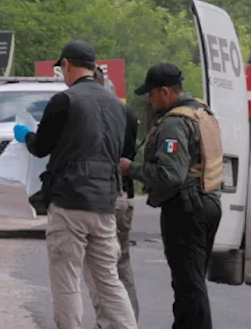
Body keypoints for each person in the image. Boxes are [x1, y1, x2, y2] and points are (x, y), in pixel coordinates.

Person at [12, 41, 137, 329]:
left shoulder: (65, 101)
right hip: (106, 203)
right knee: (108, 281)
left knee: (66, 279)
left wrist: (26, 136)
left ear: (66, 64)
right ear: (94, 67)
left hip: (70, 202)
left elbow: (42, 148)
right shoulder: (119, 108)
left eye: (62, 68)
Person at [120, 63, 225, 329]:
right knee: (192, 280)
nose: (149, 99)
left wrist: (130, 169)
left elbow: (170, 175)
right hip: (209, 201)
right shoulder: (202, 112)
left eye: (152, 94)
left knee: (188, 284)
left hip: (185, 208)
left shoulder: (175, 124)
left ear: (165, 92)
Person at [86, 68, 139, 327]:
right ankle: (131, 321)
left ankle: (108, 323)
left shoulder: (89, 112)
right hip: (124, 195)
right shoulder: (127, 113)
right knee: (123, 265)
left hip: (99, 197)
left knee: (100, 269)